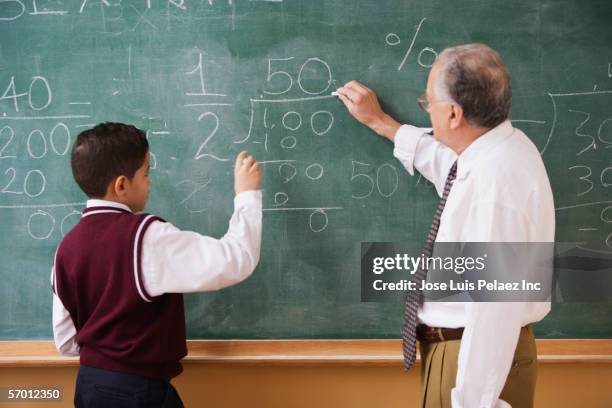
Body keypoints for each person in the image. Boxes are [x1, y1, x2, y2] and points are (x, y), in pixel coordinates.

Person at [337, 44, 554, 407]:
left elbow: (494, 309)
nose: (427, 110)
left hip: (472, 365)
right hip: (469, 357)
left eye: (428, 104)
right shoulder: (498, 152)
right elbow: (449, 171)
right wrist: (381, 123)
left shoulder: (494, 189)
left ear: (454, 113)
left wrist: (472, 401)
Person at [51, 122, 262, 407]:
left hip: (88, 388)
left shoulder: (66, 247)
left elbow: (66, 341)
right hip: (139, 392)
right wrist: (246, 195)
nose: (150, 181)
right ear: (122, 185)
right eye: (145, 173)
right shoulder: (147, 237)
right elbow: (236, 259)